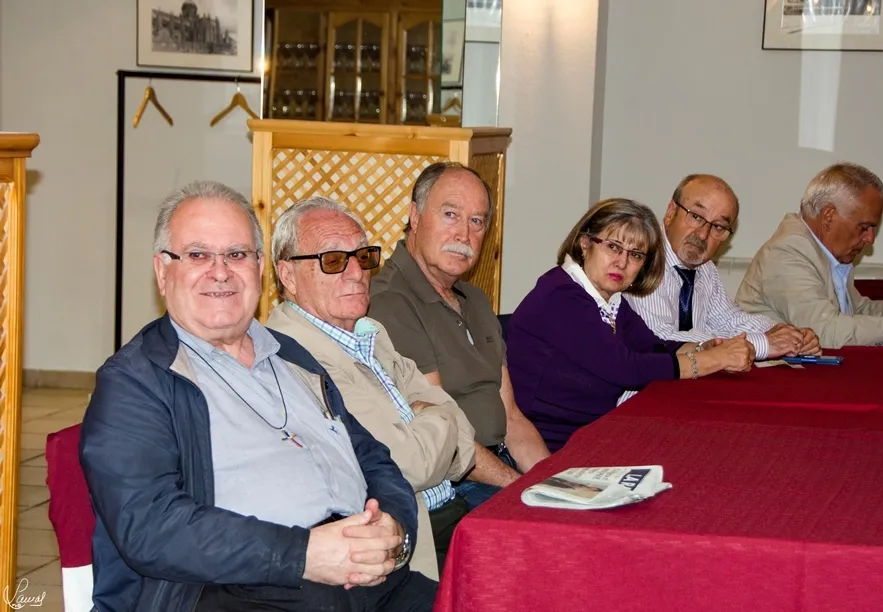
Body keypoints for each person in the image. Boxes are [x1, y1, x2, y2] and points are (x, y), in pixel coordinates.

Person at [79, 181, 437, 612]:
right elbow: (150, 527)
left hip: (369, 579)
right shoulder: (135, 381)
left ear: (259, 268)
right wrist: (303, 554)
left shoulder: (291, 355)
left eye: (237, 254)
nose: (220, 272)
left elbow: (373, 457)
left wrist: (393, 528)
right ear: (162, 270)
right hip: (240, 589)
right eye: (198, 255)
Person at [267, 196, 476, 578]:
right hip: (414, 542)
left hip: (453, 508)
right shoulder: (293, 356)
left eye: (362, 256)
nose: (356, 273)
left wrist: (434, 426)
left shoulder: (369, 332)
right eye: (333, 260)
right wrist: (438, 419)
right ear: (288, 275)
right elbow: (408, 464)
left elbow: (466, 438)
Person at [506, 198, 756, 452]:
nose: (622, 263)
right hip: (543, 448)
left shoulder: (611, 301)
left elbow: (653, 346)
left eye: (635, 255)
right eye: (613, 247)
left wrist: (705, 347)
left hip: (590, 438)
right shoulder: (562, 295)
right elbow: (625, 368)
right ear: (585, 243)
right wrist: (712, 360)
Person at [369, 162, 551, 509]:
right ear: (415, 216)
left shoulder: (475, 299)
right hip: (456, 484)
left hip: (500, 467)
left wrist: (554, 485)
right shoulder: (390, 302)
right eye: (450, 214)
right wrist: (521, 488)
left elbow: (512, 418)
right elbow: (443, 437)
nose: (464, 235)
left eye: (476, 221)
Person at [736, 162, 883, 348]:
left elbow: (854, 309)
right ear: (828, 216)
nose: (870, 239)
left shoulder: (824, 250)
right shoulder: (788, 252)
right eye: (864, 227)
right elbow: (826, 331)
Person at [627, 174, 821, 360]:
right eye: (696, 216)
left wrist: (784, 333)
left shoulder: (705, 268)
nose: (703, 234)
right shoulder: (640, 257)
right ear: (671, 213)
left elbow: (729, 319)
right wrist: (763, 344)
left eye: (718, 226)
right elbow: (662, 340)